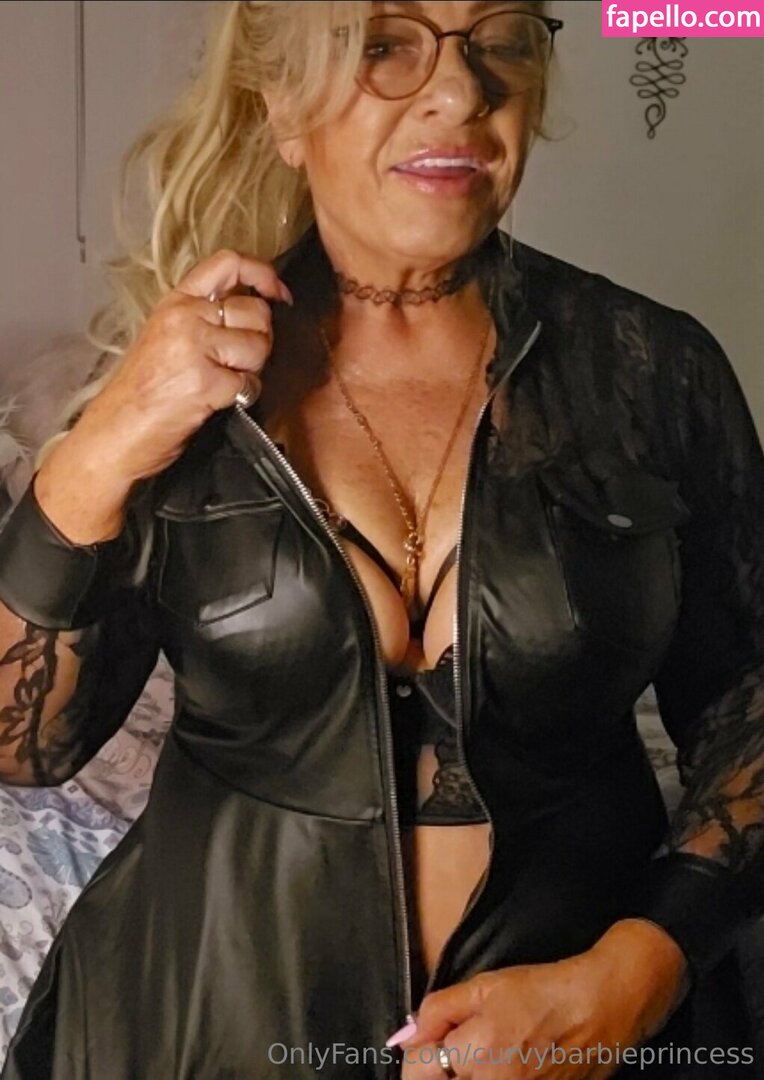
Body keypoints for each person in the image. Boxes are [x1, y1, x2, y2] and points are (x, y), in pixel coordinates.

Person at [0, 1, 762, 1077]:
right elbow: (27, 746)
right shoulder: (178, 385)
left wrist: (640, 968)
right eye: (383, 44)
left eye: (497, 41)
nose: (458, 92)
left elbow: (747, 709)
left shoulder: (654, 370)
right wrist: (98, 452)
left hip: (576, 1028)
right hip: (206, 1018)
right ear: (283, 107)